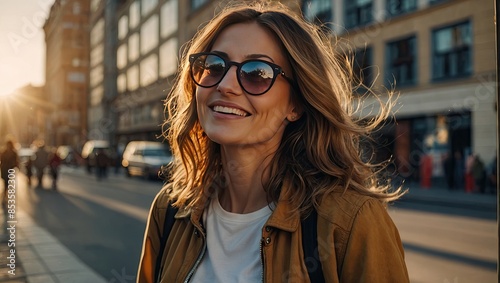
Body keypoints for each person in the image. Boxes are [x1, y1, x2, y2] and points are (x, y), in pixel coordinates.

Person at [137, 2, 409, 282]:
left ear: (296, 105)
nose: (225, 85)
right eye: (215, 66)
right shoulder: (169, 210)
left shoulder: (351, 221)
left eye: (257, 73)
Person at [0, 140, 18, 205]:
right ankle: (5, 193)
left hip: (9, 169)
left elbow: (16, 161)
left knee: (7, 181)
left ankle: (5, 193)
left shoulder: (12, 153)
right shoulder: (4, 152)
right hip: (5, 169)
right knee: (6, 181)